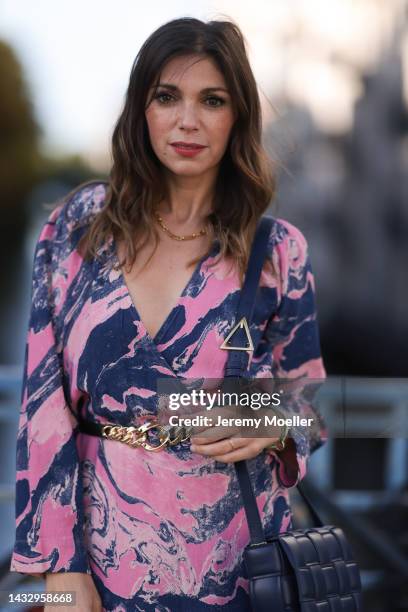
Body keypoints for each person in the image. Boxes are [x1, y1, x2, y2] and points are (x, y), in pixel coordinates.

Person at [9, 16, 327, 612]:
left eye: (212, 100)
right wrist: (58, 569)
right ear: (141, 111)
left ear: (237, 118)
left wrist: (270, 421)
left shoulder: (278, 251)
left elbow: (308, 400)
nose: (188, 120)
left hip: (238, 566)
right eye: (166, 97)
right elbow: (41, 406)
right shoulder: (77, 229)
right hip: (97, 566)